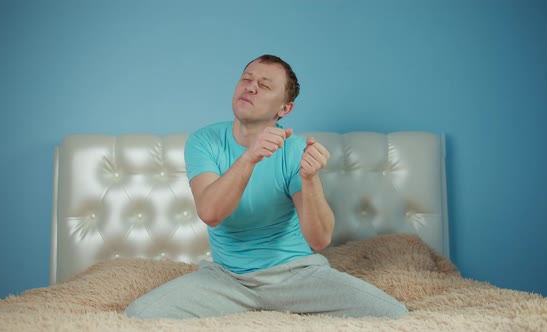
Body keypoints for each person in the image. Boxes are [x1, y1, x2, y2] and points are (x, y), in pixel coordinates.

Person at [124, 54, 408, 319]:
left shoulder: (295, 149)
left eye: (264, 85)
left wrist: (309, 180)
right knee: (139, 315)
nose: (250, 88)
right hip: (225, 279)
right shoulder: (204, 141)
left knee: (393, 315)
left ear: (284, 108)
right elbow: (210, 212)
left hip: (296, 275)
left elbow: (319, 240)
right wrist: (250, 157)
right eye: (246, 79)